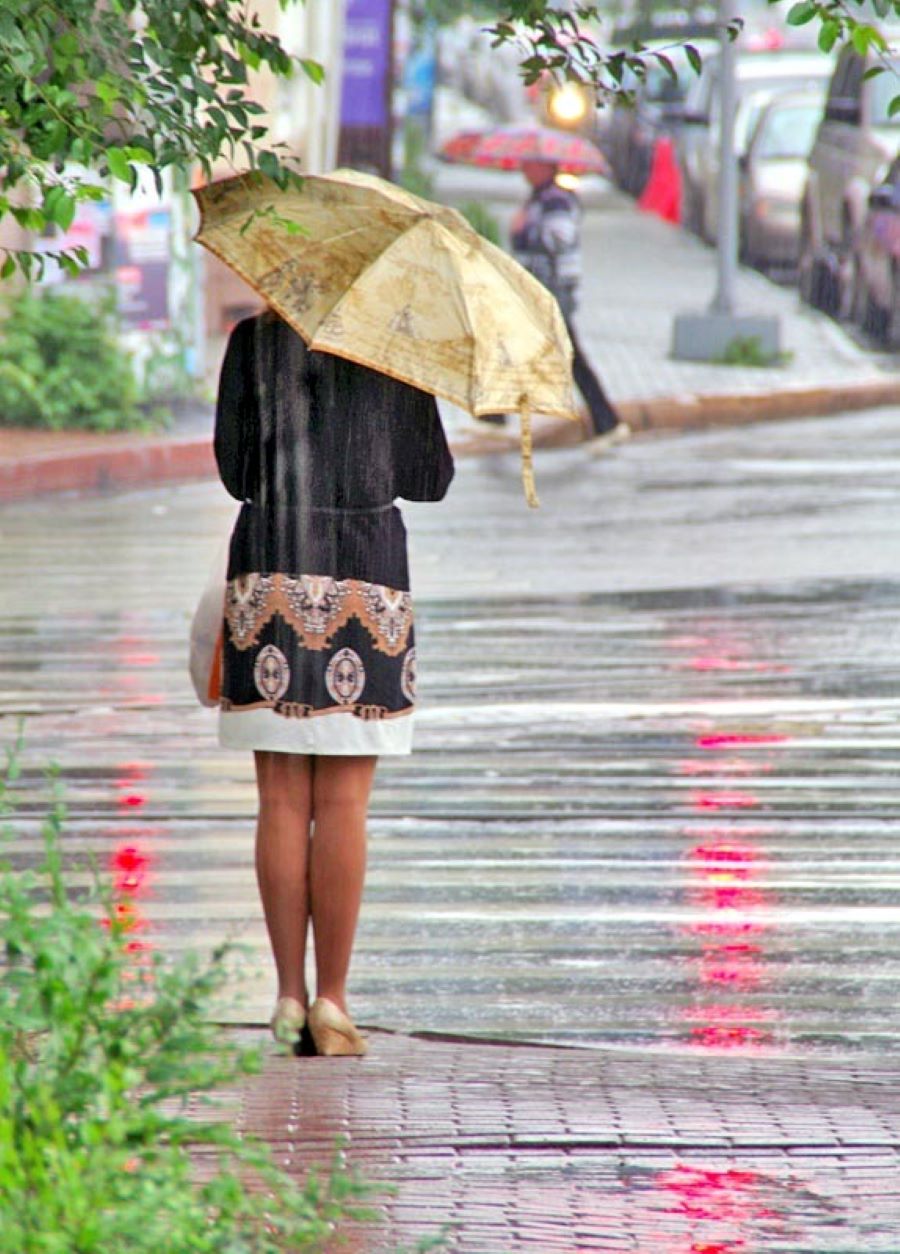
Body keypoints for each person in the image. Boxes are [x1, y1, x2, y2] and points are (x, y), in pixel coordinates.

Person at [213, 310, 454, 1057]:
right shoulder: (396, 346)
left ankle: (286, 998)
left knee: (281, 798)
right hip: (367, 573)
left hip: (270, 564)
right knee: (345, 800)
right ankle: (335, 1003)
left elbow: (233, 470)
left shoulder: (253, 343)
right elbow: (429, 480)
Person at [498, 158, 629, 453]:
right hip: (538, 290)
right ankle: (607, 422)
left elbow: (559, 237)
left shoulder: (556, 200)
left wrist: (523, 230)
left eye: (531, 164)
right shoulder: (540, 198)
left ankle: (608, 422)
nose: (525, 168)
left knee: (566, 358)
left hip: (551, 291)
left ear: (546, 167)